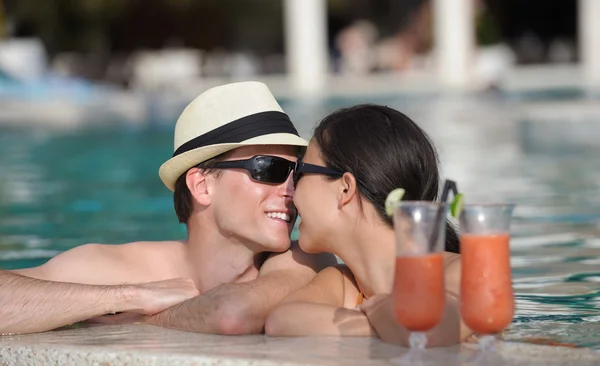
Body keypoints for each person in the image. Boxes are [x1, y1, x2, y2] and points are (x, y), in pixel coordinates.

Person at [1, 81, 335, 335]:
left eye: (299, 172)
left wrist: (140, 320)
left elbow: (231, 315)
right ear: (202, 185)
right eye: (270, 169)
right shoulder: (122, 267)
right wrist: (126, 296)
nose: (291, 190)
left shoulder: (302, 258)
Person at [265, 104, 471, 347]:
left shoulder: (456, 269)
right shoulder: (344, 283)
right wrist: (387, 322)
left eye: (300, 172)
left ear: (345, 189)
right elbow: (281, 321)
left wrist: (379, 311)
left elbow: (435, 327)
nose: (291, 190)